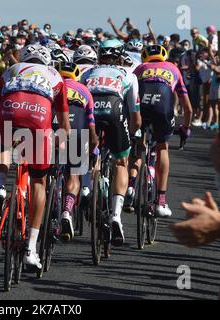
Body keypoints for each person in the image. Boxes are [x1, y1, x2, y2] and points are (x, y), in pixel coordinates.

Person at [0, 44, 70, 269]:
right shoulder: (56, 76)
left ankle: (1, 188)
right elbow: (63, 124)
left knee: (2, 140)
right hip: (38, 115)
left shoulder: (11, 70)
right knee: (39, 181)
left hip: (10, 110)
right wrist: (63, 144)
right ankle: (30, 248)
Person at [81, 39, 141, 246]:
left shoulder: (88, 73)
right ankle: (116, 215)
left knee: (90, 154)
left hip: (90, 112)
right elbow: (136, 116)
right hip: (114, 110)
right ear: (120, 55)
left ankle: (87, 190)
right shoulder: (129, 75)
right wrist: (130, 136)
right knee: (121, 163)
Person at [127, 45, 193, 218]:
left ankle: (131, 187)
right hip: (162, 107)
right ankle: (161, 201)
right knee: (162, 147)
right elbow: (188, 108)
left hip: (141, 106)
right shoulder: (173, 68)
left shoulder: (140, 68)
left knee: (138, 146)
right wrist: (185, 129)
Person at [56, 61, 98, 242]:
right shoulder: (84, 90)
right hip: (78, 131)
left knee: (43, 173)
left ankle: (52, 193)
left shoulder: (53, 85)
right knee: (74, 174)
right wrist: (94, 142)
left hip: (53, 128)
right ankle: (67, 210)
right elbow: (91, 123)